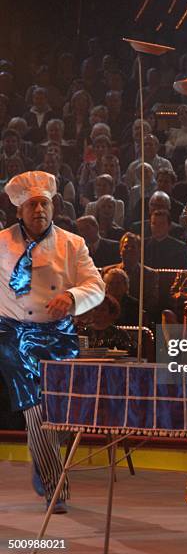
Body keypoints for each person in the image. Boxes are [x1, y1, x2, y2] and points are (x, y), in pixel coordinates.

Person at [0, 171, 105, 513]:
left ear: (53, 207)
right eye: (32, 205)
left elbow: (96, 285)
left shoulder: (72, 244)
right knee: (36, 406)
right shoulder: (1, 242)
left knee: (62, 413)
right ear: (19, 210)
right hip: (14, 335)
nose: (39, 210)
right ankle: (53, 486)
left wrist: (73, 298)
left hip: (58, 335)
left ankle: (43, 456)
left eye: (44, 204)